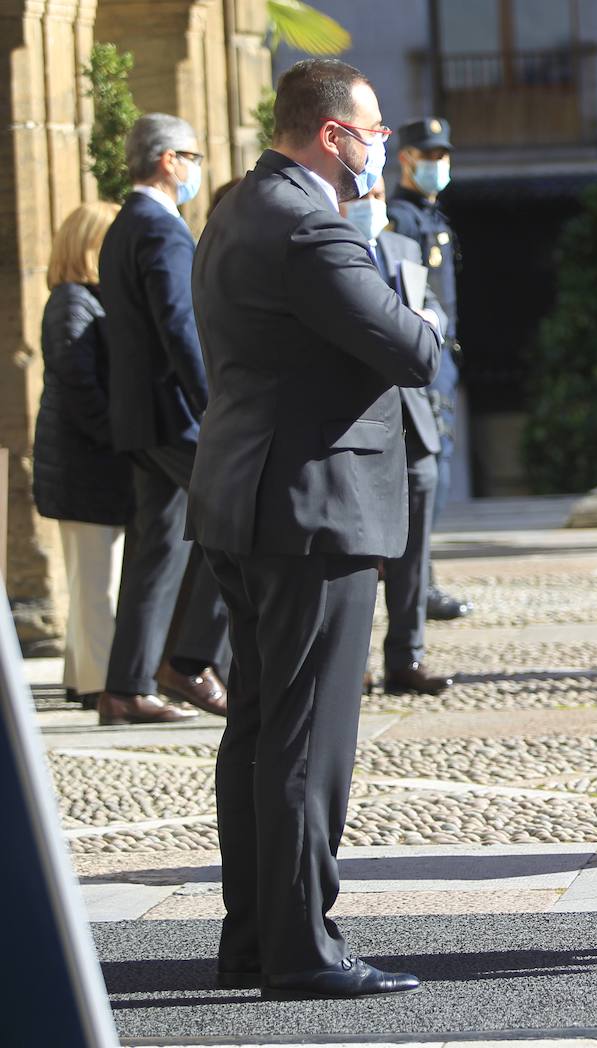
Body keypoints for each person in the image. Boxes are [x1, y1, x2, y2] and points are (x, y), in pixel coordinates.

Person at [188, 58, 440, 998]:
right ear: (334, 135)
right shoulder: (311, 230)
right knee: (305, 736)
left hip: (244, 498)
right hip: (310, 509)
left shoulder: (239, 206)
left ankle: (254, 936)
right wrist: (401, 287)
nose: (383, 146)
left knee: (257, 727)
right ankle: (301, 948)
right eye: (374, 132)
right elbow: (412, 348)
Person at [97, 113, 230, 726]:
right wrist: (214, 404)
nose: (197, 168)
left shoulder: (125, 225)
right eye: (192, 156)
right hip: (176, 417)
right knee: (237, 516)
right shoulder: (159, 229)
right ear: (166, 160)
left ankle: (126, 687)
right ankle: (191, 658)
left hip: (144, 418)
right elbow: (179, 326)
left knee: (158, 550)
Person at [341, 177, 456, 696]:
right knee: (359, 551)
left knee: (415, 550)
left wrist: (424, 322)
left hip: (414, 416)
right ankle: (353, 661)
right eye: (362, 197)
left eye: (379, 196)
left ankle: (406, 657)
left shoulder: (403, 246)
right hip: (359, 417)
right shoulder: (333, 249)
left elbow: (435, 312)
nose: (372, 206)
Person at [33, 202, 131, 710]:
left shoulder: (84, 299)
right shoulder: (72, 302)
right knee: (97, 583)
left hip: (85, 463)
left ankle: (81, 674)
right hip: (85, 464)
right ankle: (99, 684)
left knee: (91, 578)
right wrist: (120, 437)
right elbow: (80, 389)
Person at [386, 116, 472, 620]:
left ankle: (421, 580)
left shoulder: (432, 217)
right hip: (427, 362)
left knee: (434, 474)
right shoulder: (403, 217)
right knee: (427, 475)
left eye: (443, 156)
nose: (439, 164)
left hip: (444, 360)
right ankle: (417, 583)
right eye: (430, 156)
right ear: (407, 158)